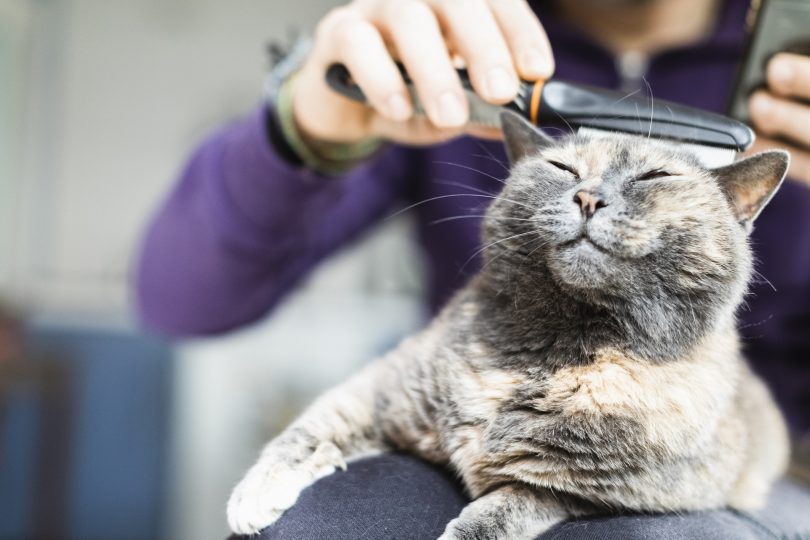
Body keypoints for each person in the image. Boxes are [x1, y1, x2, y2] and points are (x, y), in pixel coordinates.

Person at [136, 0, 810, 537]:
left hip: (744, 452)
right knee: (328, 525)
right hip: (467, 407)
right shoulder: (456, 51)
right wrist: (307, 122)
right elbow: (181, 299)